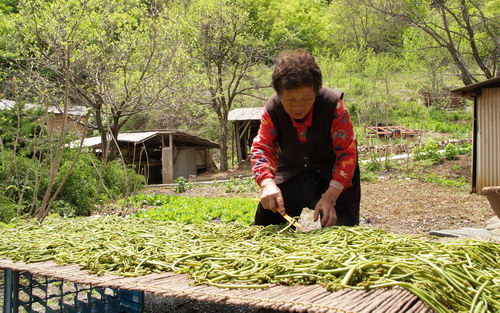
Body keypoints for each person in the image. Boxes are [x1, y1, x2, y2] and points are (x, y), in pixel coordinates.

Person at [250, 49, 360, 228]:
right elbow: (262, 147)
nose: (298, 107)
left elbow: (347, 155)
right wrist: (267, 183)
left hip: (332, 175)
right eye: (290, 100)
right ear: (279, 94)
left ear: (316, 93)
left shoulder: (334, 108)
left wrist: (330, 196)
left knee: (343, 231)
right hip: (291, 173)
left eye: (306, 99)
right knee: (267, 228)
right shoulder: (272, 110)